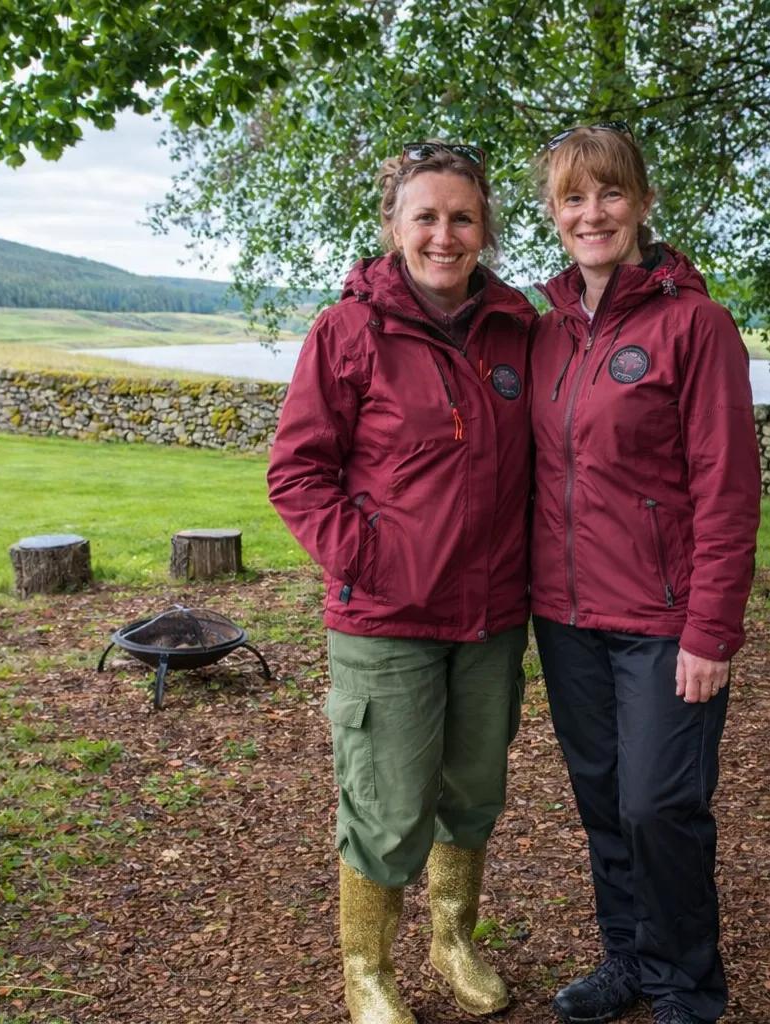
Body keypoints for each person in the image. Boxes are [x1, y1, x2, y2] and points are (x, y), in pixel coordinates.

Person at [266, 141, 537, 1024]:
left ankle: (453, 939)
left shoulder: (516, 328)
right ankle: (368, 971)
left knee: (472, 794)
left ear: (485, 228)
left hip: (491, 616)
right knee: (386, 807)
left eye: (463, 217)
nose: (444, 235)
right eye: (426, 217)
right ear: (394, 226)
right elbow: (297, 474)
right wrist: (376, 562)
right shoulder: (349, 331)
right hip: (387, 619)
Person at [528, 122, 763, 1024]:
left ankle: (684, 989)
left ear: (643, 204)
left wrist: (712, 630)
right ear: (554, 214)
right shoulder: (546, 333)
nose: (593, 214)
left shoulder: (696, 325)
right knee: (604, 803)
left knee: (660, 805)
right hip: (566, 617)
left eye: (611, 193)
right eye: (573, 198)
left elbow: (727, 488)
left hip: (666, 618)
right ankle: (626, 957)